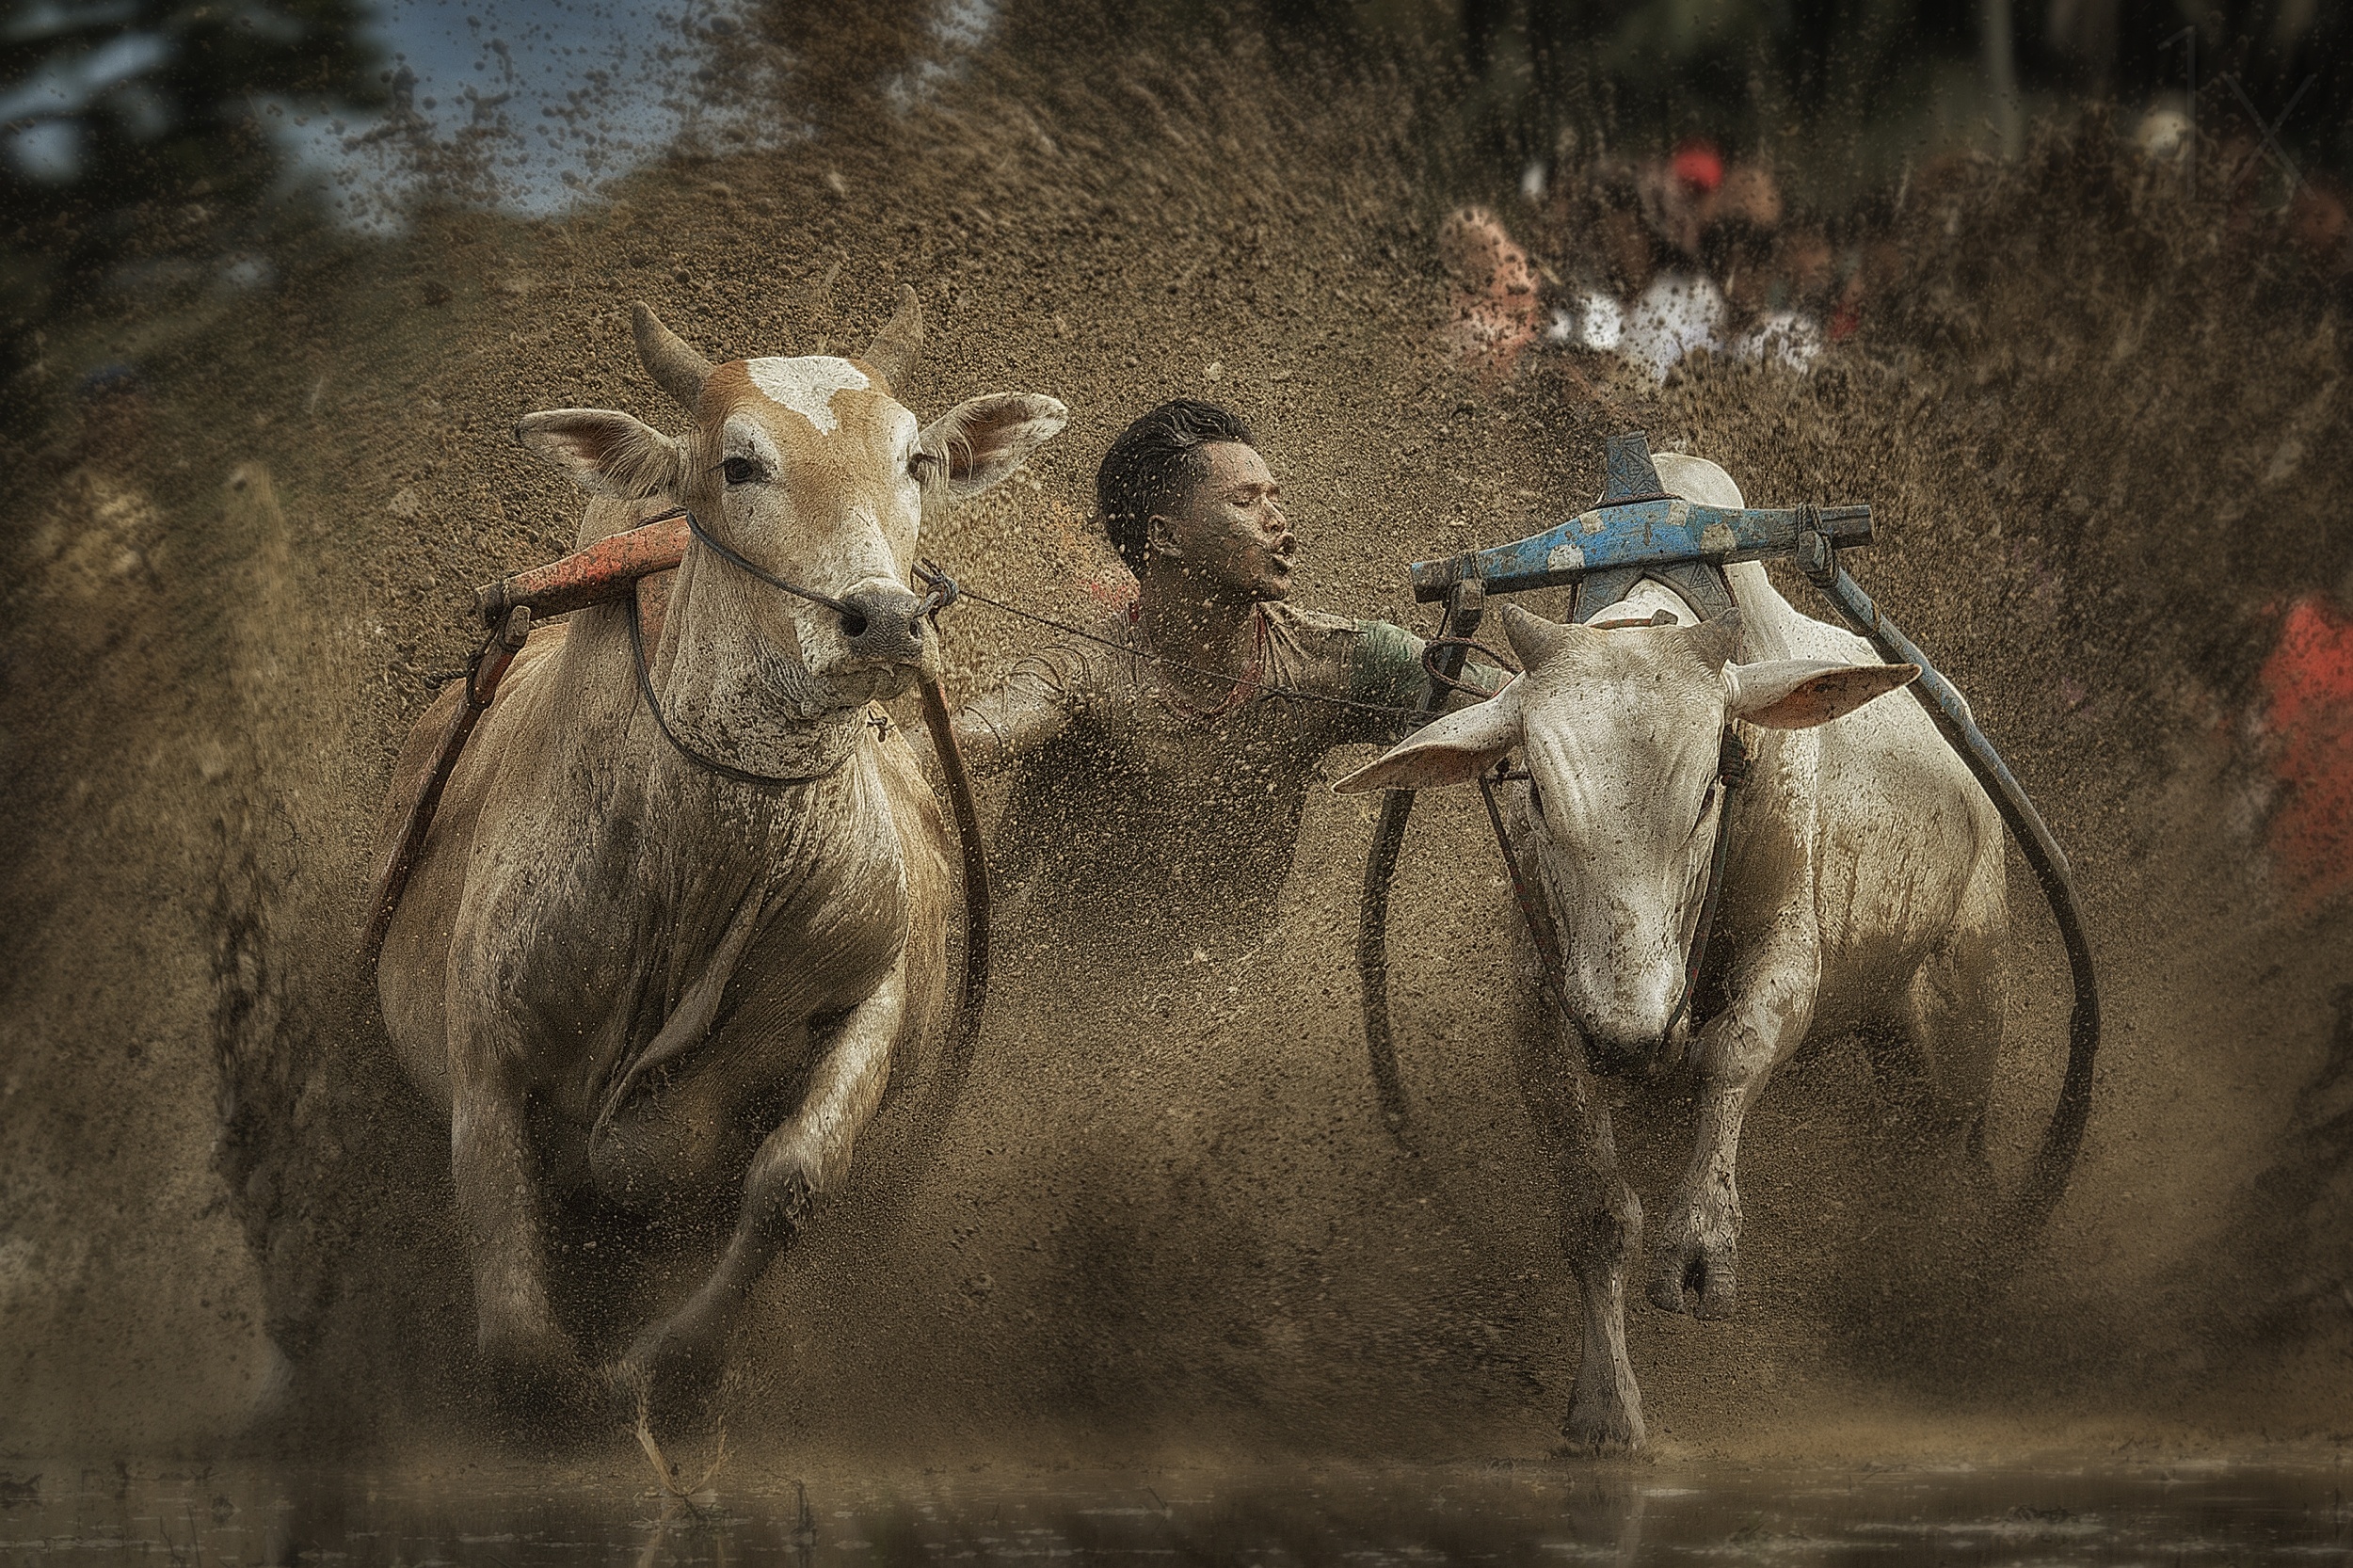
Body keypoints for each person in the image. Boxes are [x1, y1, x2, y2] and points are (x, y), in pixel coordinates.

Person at [924, 398, 1502, 942]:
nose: (1279, 522)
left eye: (1274, 497)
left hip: (1229, 989)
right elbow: (959, 744)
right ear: (1165, 536)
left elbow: (1510, 702)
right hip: (1045, 977)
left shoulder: (1334, 656)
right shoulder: (1082, 671)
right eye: (1245, 502)